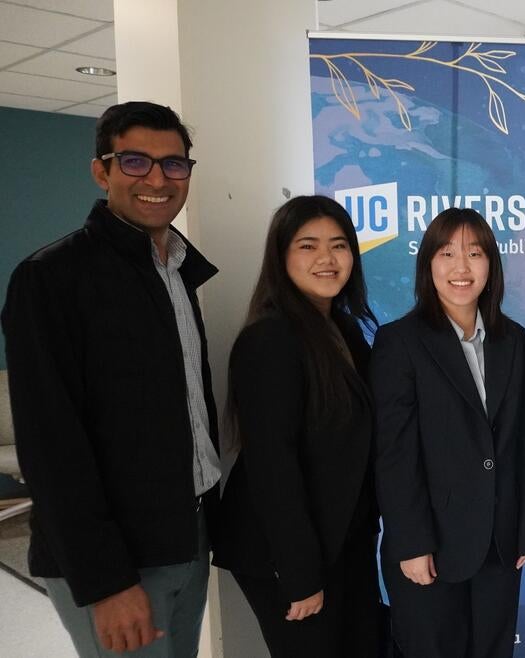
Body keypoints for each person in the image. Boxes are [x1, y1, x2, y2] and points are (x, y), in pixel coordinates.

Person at [2, 101, 219, 656]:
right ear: (102, 171)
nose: (157, 179)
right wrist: (107, 583)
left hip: (186, 538)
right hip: (117, 561)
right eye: (135, 161)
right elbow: (51, 448)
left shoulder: (174, 269)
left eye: (174, 165)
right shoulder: (50, 279)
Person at [213, 195, 381, 657]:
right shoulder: (270, 338)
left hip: (341, 540)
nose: (326, 259)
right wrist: (300, 575)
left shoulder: (345, 331)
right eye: (308, 246)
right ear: (281, 255)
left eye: (339, 245)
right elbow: (273, 466)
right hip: (286, 553)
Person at [370, 208, 525, 657]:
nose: (461, 267)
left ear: (492, 265)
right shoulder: (400, 341)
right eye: (446, 253)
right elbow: (394, 453)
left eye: (474, 253)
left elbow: (524, 440)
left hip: (500, 543)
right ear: (428, 263)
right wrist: (410, 541)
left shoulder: (514, 340)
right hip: (430, 544)